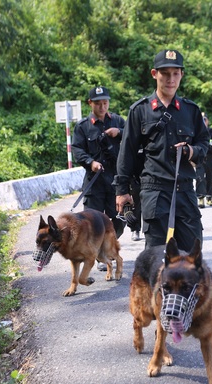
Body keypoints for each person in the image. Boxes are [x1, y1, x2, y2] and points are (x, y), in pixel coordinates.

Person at [113, 49, 210, 252]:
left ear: (182, 75)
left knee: (192, 255)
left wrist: (191, 151)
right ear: (154, 74)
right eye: (165, 73)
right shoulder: (140, 110)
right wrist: (122, 191)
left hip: (184, 189)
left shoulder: (190, 110)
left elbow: (204, 142)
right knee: (155, 257)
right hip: (154, 191)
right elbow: (127, 152)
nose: (170, 79)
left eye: (175, 73)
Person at [71, 86, 126, 268]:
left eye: (105, 103)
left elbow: (135, 139)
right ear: (90, 103)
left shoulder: (118, 121)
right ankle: (101, 256)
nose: (102, 107)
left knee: (117, 219)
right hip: (94, 181)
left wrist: (120, 133)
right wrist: (90, 162)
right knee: (92, 222)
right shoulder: (83, 126)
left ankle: (107, 248)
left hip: (115, 180)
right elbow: (77, 149)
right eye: (98, 103)